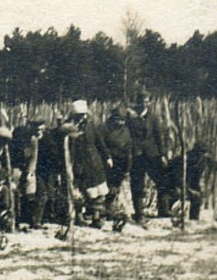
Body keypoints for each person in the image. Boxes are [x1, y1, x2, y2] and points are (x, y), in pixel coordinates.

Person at [63, 100, 122, 229]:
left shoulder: (91, 126)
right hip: (78, 164)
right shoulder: (68, 128)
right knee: (79, 192)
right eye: (79, 115)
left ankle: (97, 218)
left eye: (84, 114)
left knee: (98, 192)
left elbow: (100, 143)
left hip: (94, 163)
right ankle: (78, 216)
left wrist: (107, 157)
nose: (83, 117)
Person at [125, 91, 170, 224]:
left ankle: (163, 210)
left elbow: (159, 137)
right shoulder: (129, 117)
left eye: (146, 101)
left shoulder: (153, 117)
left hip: (152, 155)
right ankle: (139, 214)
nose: (144, 104)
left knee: (162, 181)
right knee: (137, 184)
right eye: (141, 101)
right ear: (137, 102)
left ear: (149, 103)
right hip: (136, 156)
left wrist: (162, 155)